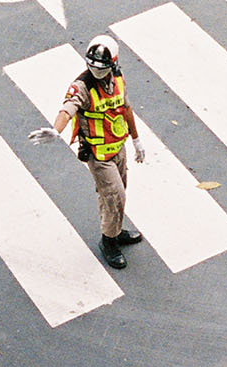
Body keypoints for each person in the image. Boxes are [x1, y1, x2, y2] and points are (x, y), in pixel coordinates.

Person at [29, 35, 147, 269]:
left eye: (102, 67)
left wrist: (136, 140)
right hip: (98, 153)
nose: (96, 71)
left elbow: (126, 108)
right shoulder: (82, 86)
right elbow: (68, 108)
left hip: (118, 148)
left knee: (118, 193)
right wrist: (56, 130)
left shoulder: (118, 79)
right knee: (115, 196)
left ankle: (115, 230)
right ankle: (108, 242)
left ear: (113, 64)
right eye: (92, 66)